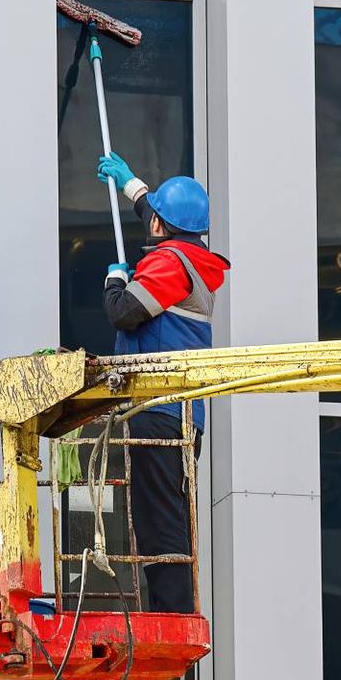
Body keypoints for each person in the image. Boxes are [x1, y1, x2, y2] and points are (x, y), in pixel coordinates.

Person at [94, 151, 230, 614]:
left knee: (158, 518)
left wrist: (115, 282)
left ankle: (171, 613)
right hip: (181, 414)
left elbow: (124, 312)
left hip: (159, 411)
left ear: (161, 229)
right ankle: (172, 606)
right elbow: (158, 217)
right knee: (167, 511)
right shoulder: (193, 259)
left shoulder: (169, 266)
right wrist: (131, 183)